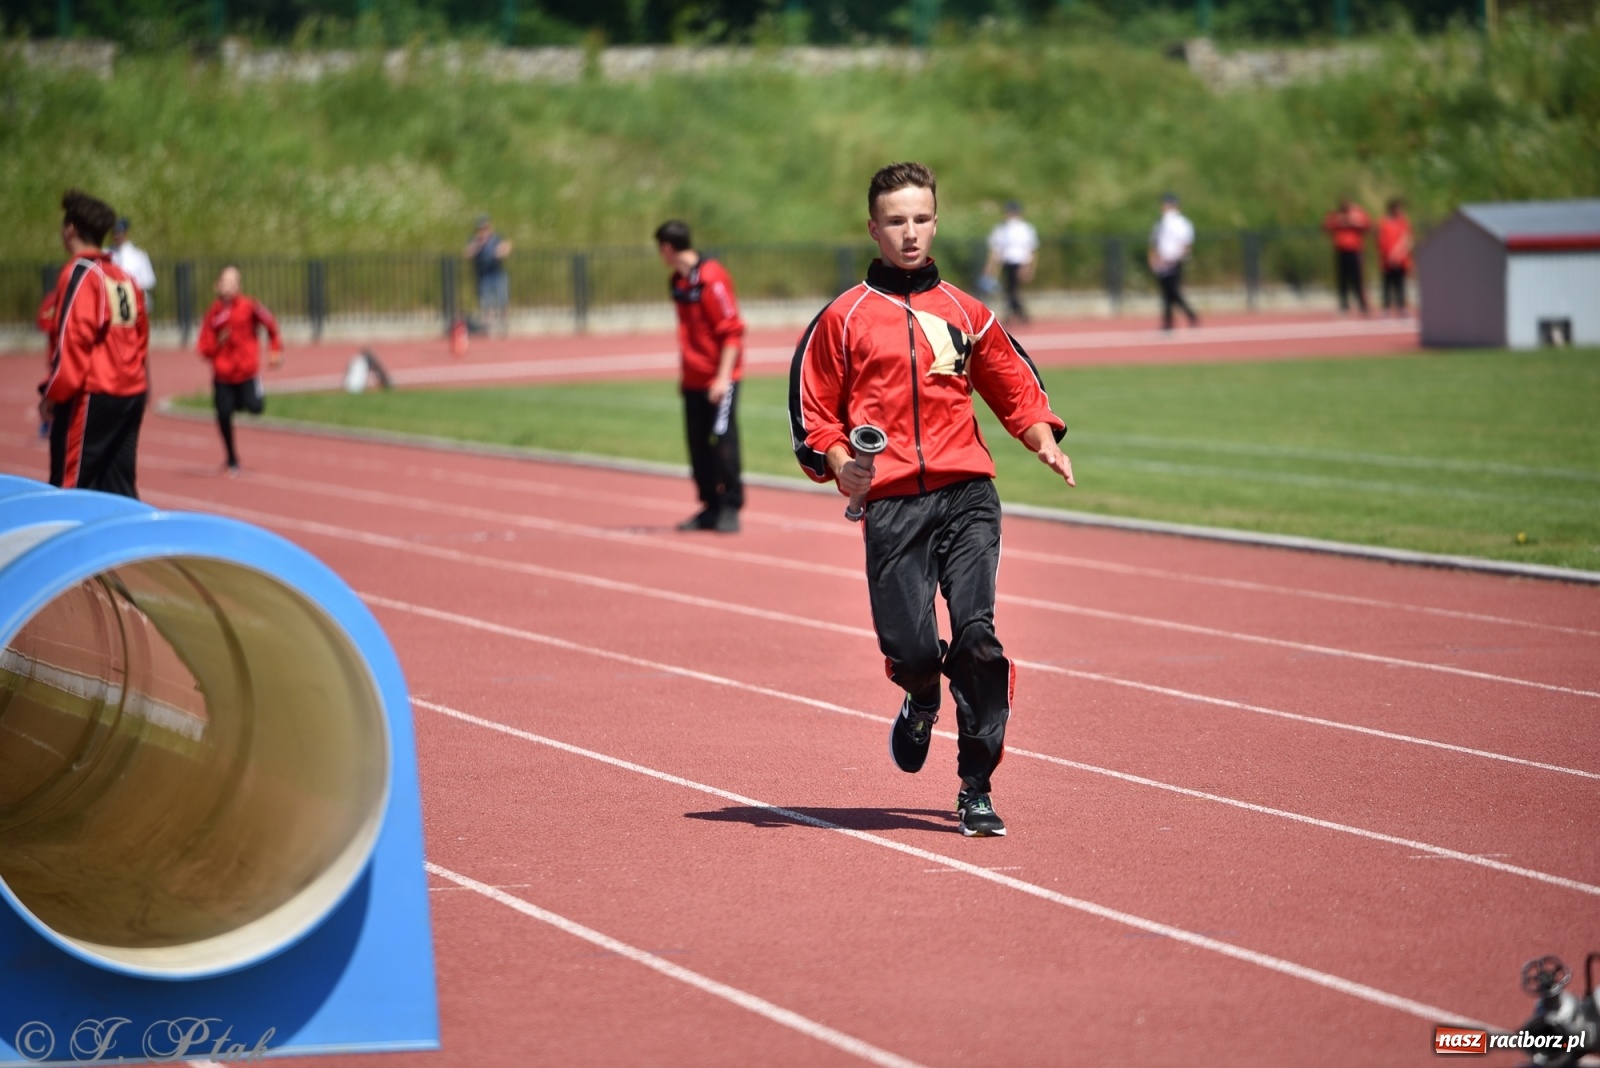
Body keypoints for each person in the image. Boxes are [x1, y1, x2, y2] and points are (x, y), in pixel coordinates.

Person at [789, 162, 1073, 838]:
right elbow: (814, 417)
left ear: (936, 223)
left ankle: (976, 787)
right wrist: (840, 465)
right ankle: (920, 698)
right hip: (892, 508)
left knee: (978, 641)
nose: (910, 233)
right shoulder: (842, 319)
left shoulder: (967, 312)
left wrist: (1041, 439)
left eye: (920, 219)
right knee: (913, 651)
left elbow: (1013, 382)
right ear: (873, 228)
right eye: (896, 221)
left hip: (967, 495)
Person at [40, 189, 150, 498]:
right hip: (130, 392)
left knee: (70, 486)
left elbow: (74, 339)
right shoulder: (123, 277)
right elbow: (140, 336)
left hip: (93, 393)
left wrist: (54, 392)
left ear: (70, 229)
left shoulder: (80, 273)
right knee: (119, 487)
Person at [656, 220, 746, 534]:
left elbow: (732, 331)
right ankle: (710, 505)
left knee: (723, 442)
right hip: (692, 380)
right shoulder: (678, 282)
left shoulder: (712, 278)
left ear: (667, 248)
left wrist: (722, 378)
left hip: (719, 378)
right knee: (697, 446)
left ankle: (731, 506)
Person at [198, 265, 282, 475]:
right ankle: (231, 458)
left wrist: (275, 349)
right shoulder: (213, 313)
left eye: (232, 282)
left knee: (255, 407)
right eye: (224, 282)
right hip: (223, 375)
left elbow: (271, 325)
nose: (228, 286)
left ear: (239, 285)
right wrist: (218, 342)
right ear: (217, 285)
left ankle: (248, 395)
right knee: (223, 415)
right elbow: (204, 348)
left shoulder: (250, 306)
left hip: (247, 371)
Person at [1148, 192, 1198, 330]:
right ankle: (1168, 322)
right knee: (1165, 293)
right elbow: (1155, 242)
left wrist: (1179, 257)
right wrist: (1153, 258)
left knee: (1173, 292)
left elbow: (1186, 243)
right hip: (1162, 261)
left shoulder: (1181, 223)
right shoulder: (1160, 222)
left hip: (1174, 261)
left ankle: (1190, 315)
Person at [983, 200, 1038, 325]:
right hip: (1007, 262)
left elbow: (1030, 249)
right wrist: (991, 267)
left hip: (1020, 261)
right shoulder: (1001, 229)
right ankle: (1019, 313)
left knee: (1012, 289)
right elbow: (996, 250)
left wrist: (1027, 266)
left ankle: (1017, 314)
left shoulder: (1025, 229)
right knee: (1010, 289)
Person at [465, 214, 512, 337]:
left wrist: (501, 251)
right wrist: (478, 245)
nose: (483, 231)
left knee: (503, 299)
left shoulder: (496, 238)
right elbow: (467, 253)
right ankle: (488, 327)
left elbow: (506, 247)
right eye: (481, 229)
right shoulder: (475, 240)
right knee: (486, 301)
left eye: (485, 228)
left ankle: (503, 325)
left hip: (497, 273)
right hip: (483, 274)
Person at [1322, 198, 1371, 314]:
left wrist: (1352, 222)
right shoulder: (1336, 215)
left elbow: (1367, 225)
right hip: (1341, 251)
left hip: (1355, 251)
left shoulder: (1357, 214)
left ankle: (1362, 304)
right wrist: (1340, 221)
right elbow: (1326, 227)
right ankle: (1343, 305)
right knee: (1342, 279)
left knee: (1358, 279)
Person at [108, 217, 156, 317]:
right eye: (115, 233)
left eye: (120, 233)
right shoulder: (107, 254)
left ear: (125, 233)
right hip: (112, 303)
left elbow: (148, 281)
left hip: (135, 302)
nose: (117, 236)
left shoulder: (138, 255)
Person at [1377, 198, 1413, 316]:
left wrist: (1398, 254)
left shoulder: (1403, 222)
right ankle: (1386, 308)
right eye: (1397, 208)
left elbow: (1407, 239)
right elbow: (1380, 239)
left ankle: (1402, 307)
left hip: (1400, 259)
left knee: (1400, 284)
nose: (1399, 211)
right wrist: (1388, 255)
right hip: (1387, 259)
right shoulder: (1383, 222)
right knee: (1387, 284)